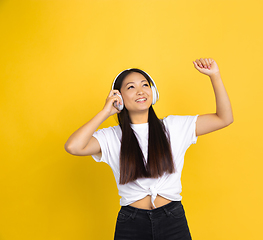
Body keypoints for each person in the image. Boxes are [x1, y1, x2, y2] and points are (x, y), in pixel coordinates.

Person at [64, 58, 233, 240]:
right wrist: (106, 111)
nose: (140, 91)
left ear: (153, 92)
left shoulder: (173, 127)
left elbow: (224, 118)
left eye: (145, 85)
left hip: (172, 220)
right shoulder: (111, 136)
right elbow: (73, 146)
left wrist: (215, 75)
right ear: (118, 98)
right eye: (131, 87)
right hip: (131, 223)